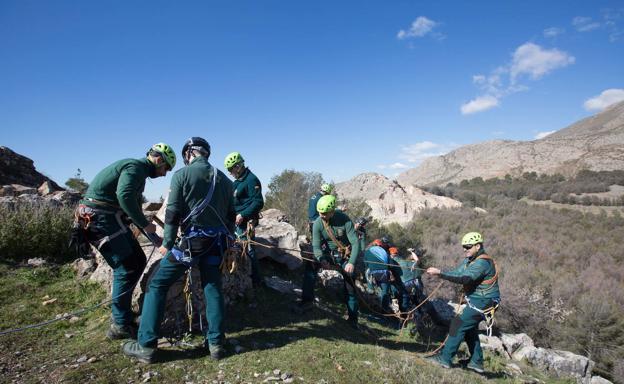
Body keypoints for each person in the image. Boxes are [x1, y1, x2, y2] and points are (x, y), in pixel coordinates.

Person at [123, 137, 235, 363]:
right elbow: (231, 217)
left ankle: (146, 345)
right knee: (212, 287)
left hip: (191, 244)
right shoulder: (224, 179)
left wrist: (167, 243)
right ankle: (216, 344)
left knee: (157, 284)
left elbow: (173, 213)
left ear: (189, 154)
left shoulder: (182, 175)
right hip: (217, 244)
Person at [78, 143, 176, 339]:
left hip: (108, 217)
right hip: (100, 218)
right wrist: (145, 225)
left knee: (137, 260)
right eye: (166, 168)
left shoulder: (137, 171)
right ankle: (120, 324)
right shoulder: (135, 167)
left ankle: (124, 315)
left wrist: (150, 233)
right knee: (126, 266)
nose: (165, 174)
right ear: (159, 159)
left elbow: (131, 203)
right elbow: (124, 196)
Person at [425, 232, 500, 374]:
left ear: (478, 246)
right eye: (463, 247)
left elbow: (465, 278)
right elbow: (458, 272)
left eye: (468, 246)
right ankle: (476, 362)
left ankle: (445, 359)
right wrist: (439, 272)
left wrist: (440, 273)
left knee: (457, 324)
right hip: (481, 301)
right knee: (469, 328)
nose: (465, 249)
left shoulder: (482, 262)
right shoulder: (470, 260)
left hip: (484, 302)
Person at [294, 195, 362, 329]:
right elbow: (316, 246)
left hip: (345, 257)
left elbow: (355, 242)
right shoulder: (318, 223)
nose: (322, 215)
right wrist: (322, 259)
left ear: (332, 211)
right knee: (310, 266)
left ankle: (353, 320)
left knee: (350, 286)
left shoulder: (344, 220)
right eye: (320, 213)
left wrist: (351, 262)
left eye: (325, 213)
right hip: (328, 255)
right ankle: (307, 300)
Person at [223, 152, 264, 287]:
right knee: (237, 247)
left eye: (231, 169)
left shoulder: (251, 180)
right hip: (235, 221)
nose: (230, 173)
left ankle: (256, 280)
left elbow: (258, 202)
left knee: (249, 249)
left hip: (245, 222)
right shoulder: (237, 182)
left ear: (238, 166)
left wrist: (243, 215)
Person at [390, 247, 443, 325]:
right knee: (420, 300)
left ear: (391, 255)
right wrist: (412, 252)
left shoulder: (392, 262)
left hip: (405, 284)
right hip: (415, 283)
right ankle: (427, 316)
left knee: (405, 302)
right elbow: (417, 260)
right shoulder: (406, 262)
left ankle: (404, 321)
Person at [363, 245, 410, 314]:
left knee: (377, 289)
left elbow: (366, 264)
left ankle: (370, 291)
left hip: (372, 273)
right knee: (385, 291)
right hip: (384, 274)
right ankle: (384, 310)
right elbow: (392, 265)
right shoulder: (384, 253)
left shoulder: (367, 252)